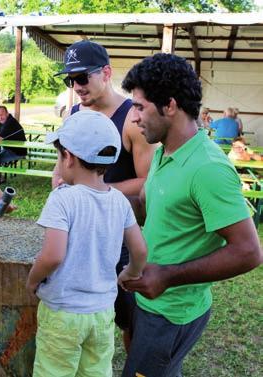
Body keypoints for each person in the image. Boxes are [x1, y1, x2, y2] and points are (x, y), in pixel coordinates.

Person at [120, 53, 262, 377]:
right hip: (150, 302)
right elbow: (146, 207)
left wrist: (168, 275)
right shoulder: (163, 151)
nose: (135, 118)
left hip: (172, 313)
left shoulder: (208, 168)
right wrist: (98, 199)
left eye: (140, 107)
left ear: (169, 106)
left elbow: (249, 252)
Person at [26, 110, 147, 377]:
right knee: (95, 371)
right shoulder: (118, 200)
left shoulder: (62, 199)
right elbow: (139, 250)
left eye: (59, 156)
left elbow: (53, 256)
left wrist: (33, 279)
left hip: (62, 314)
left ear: (68, 157)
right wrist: (131, 273)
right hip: (102, 313)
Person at [54, 39, 156, 351]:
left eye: (83, 77)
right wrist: (59, 183)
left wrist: (95, 191)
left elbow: (147, 181)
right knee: (77, 311)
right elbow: (61, 166)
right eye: (70, 79)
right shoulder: (73, 113)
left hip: (119, 235)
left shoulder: (131, 119)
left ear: (107, 72)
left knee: (129, 320)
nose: (77, 86)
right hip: (80, 233)